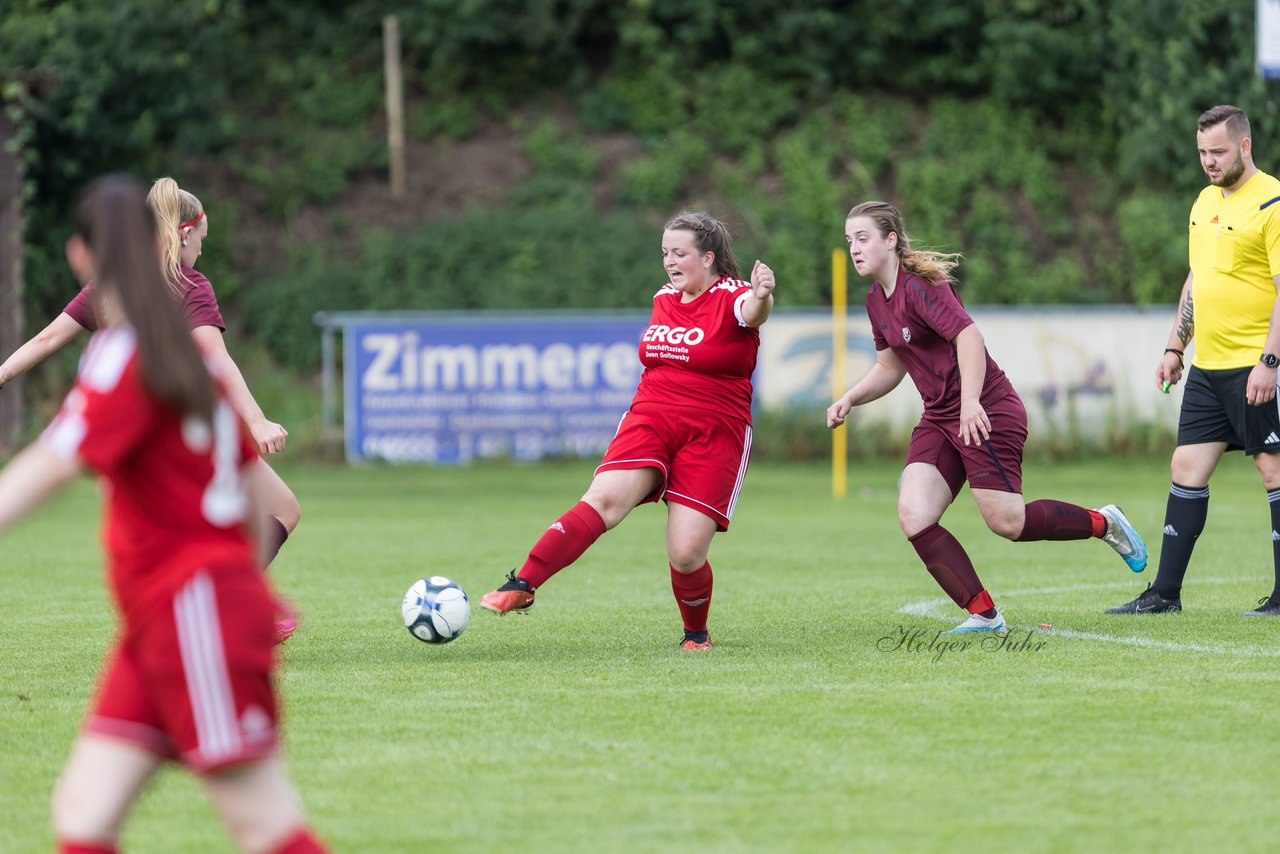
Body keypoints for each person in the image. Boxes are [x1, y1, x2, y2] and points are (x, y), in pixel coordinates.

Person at [0, 176, 327, 853]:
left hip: (191, 610)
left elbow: (51, 467)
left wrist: (225, 594)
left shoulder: (127, 354)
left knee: (263, 824)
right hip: (162, 618)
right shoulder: (177, 349)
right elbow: (243, 492)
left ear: (80, 258)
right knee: (85, 811)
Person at [0, 177, 301, 642]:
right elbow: (215, 360)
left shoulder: (107, 295)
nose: (201, 250)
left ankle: (228, 601)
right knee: (274, 511)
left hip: (171, 443)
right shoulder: (188, 287)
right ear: (185, 234)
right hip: (195, 437)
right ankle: (224, 606)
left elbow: (46, 339)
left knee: (195, 526)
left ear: (79, 254)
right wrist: (257, 420)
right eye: (201, 239)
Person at [827, 201, 1148, 634]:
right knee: (915, 515)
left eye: (863, 239)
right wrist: (850, 397)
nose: (855, 249)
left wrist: (972, 402)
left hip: (986, 409)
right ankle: (984, 614)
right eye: (849, 241)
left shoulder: (921, 286)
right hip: (941, 418)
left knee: (1008, 523)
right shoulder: (875, 301)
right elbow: (890, 367)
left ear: (891, 240)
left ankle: (1104, 521)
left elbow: (969, 337)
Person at [478, 211, 776, 650]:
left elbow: (753, 313)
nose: (669, 261)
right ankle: (523, 582)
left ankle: (696, 634)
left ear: (708, 257)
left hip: (714, 429)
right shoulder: (664, 297)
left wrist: (764, 294)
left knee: (686, 552)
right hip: (651, 415)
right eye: (664, 253)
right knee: (604, 501)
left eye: (680, 253)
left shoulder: (734, 295)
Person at [1107, 104, 1280, 617]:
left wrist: (1270, 361)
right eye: (1202, 151)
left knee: (1273, 471)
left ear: (1244, 146)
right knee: (1186, 466)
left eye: (1218, 151)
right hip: (1209, 367)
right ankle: (1164, 594)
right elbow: (1196, 280)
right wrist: (1174, 347)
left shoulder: (1272, 202)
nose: (1208, 161)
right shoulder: (1204, 202)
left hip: (1257, 365)